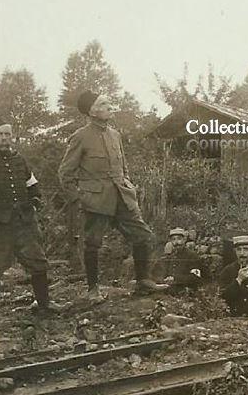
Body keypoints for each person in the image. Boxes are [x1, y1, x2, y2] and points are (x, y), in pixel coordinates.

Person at [58, 91, 168, 302]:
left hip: (122, 196)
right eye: (104, 103)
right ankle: (93, 289)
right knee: (93, 244)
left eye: (108, 102)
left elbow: (123, 167)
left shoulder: (115, 135)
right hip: (96, 201)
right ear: (92, 110)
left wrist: (128, 185)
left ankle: (143, 281)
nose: (110, 106)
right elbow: (65, 173)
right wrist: (79, 199)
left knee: (142, 235)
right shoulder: (80, 137)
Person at [0, 118, 61, 322]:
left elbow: (32, 183)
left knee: (38, 260)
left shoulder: (19, 159)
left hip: (25, 220)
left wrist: (34, 201)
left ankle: (44, 304)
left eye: (8, 134)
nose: (5, 139)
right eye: (0, 134)